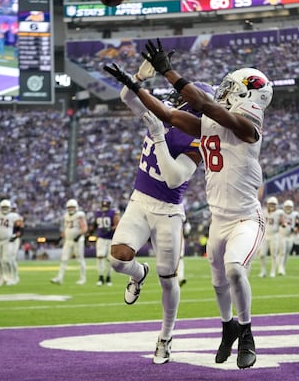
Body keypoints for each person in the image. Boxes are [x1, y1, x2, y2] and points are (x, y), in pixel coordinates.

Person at [104, 38, 273, 369]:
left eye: (232, 89)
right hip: (218, 219)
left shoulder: (247, 127)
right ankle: (229, 328)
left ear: (248, 96)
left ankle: (247, 334)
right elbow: (166, 113)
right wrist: (135, 86)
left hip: (244, 218)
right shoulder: (208, 125)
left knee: (235, 270)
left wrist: (168, 72)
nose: (224, 92)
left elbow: (208, 108)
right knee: (218, 282)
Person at [106, 57, 212, 365]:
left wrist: (157, 135)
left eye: (186, 98)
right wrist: (138, 75)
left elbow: (175, 177)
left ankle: (165, 337)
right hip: (140, 201)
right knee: (117, 259)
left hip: (168, 212)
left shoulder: (198, 135)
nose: (179, 98)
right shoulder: (165, 110)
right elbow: (127, 97)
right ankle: (138, 274)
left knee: (169, 280)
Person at [50, 199, 87, 285]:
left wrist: (78, 236)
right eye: (69, 207)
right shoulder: (66, 216)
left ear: (76, 207)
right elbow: (66, 228)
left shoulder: (79, 215)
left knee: (80, 260)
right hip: (68, 240)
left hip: (78, 241)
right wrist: (59, 238)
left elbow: (84, 228)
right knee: (64, 259)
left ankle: (83, 278)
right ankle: (59, 278)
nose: (70, 209)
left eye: (72, 207)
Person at [0, 199, 22, 287]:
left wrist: (16, 235)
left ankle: (12, 277)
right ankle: (2, 278)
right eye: (3, 207)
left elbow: (21, 227)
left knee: (7, 260)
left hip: (8, 240)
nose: (5, 209)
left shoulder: (14, 216)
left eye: (6, 207)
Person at [93, 195, 120, 286]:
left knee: (110, 259)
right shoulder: (97, 213)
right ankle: (100, 277)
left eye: (106, 203)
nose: (105, 205)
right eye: (103, 203)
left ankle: (108, 277)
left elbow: (118, 225)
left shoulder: (113, 213)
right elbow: (95, 224)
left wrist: (110, 229)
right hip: (101, 238)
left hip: (111, 239)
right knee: (100, 257)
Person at [258, 196, 283, 278]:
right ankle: (263, 271)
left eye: (273, 204)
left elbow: (283, 222)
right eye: (270, 204)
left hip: (274, 235)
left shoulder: (279, 213)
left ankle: (273, 271)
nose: (272, 205)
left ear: (276, 205)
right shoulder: (264, 211)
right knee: (262, 255)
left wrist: (283, 223)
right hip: (265, 235)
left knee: (274, 254)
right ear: (268, 204)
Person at [279, 199, 299, 275]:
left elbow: (297, 224)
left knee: (287, 253)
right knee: (283, 252)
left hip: (290, 236)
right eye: (287, 207)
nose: (288, 208)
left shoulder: (295, 214)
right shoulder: (281, 214)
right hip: (282, 235)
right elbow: (281, 224)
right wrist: (285, 225)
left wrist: (295, 228)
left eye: (289, 207)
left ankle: (283, 267)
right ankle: (280, 267)